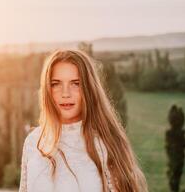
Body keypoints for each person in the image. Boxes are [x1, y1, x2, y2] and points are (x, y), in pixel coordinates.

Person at [19, 50, 148, 192]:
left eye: (75, 84)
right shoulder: (33, 142)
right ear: (47, 90)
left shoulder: (105, 144)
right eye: (56, 84)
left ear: (88, 89)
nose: (65, 93)